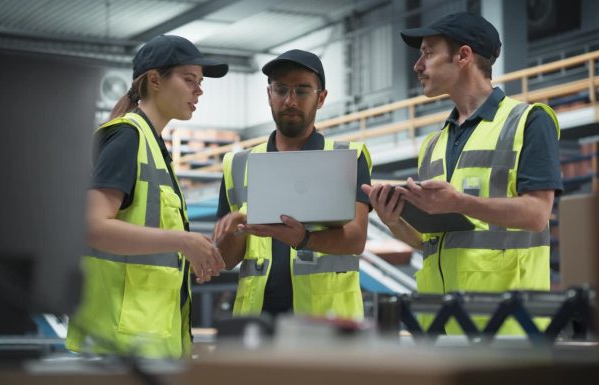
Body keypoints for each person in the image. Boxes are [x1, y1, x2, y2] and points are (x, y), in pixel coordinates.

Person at [363, 12, 562, 334]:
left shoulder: (529, 121)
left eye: (428, 52)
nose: (417, 65)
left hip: (507, 321)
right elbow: (427, 241)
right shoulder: (433, 143)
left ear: (464, 55)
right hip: (439, 320)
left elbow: (538, 214)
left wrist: (460, 203)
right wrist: (394, 220)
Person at [66, 35, 228, 358]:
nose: (199, 90)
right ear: (155, 80)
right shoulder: (127, 139)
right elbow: (93, 226)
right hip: (115, 347)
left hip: (149, 345)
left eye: (200, 82)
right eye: (189, 79)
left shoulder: (154, 148)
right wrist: (183, 241)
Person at [213, 50, 372, 320]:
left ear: (321, 98)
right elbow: (228, 260)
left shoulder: (348, 157)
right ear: (269, 95)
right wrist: (237, 229)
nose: (290, 101)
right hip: (256, 321)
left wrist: (304, 239)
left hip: (326, 324)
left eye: (302, 91)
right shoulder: (238, 164)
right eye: (281, 89)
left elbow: (355, 239)